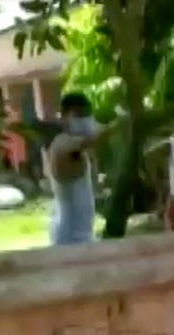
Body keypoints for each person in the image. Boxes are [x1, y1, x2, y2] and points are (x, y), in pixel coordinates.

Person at [46, 93, 120, 245]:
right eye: (79, 115)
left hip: (83, 236)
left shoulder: (78, 144)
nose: (85, 120)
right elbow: (94, 139)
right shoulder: (61, 144)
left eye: (87, 115)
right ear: (64, 118)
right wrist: (118, 124)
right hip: (67, 239)